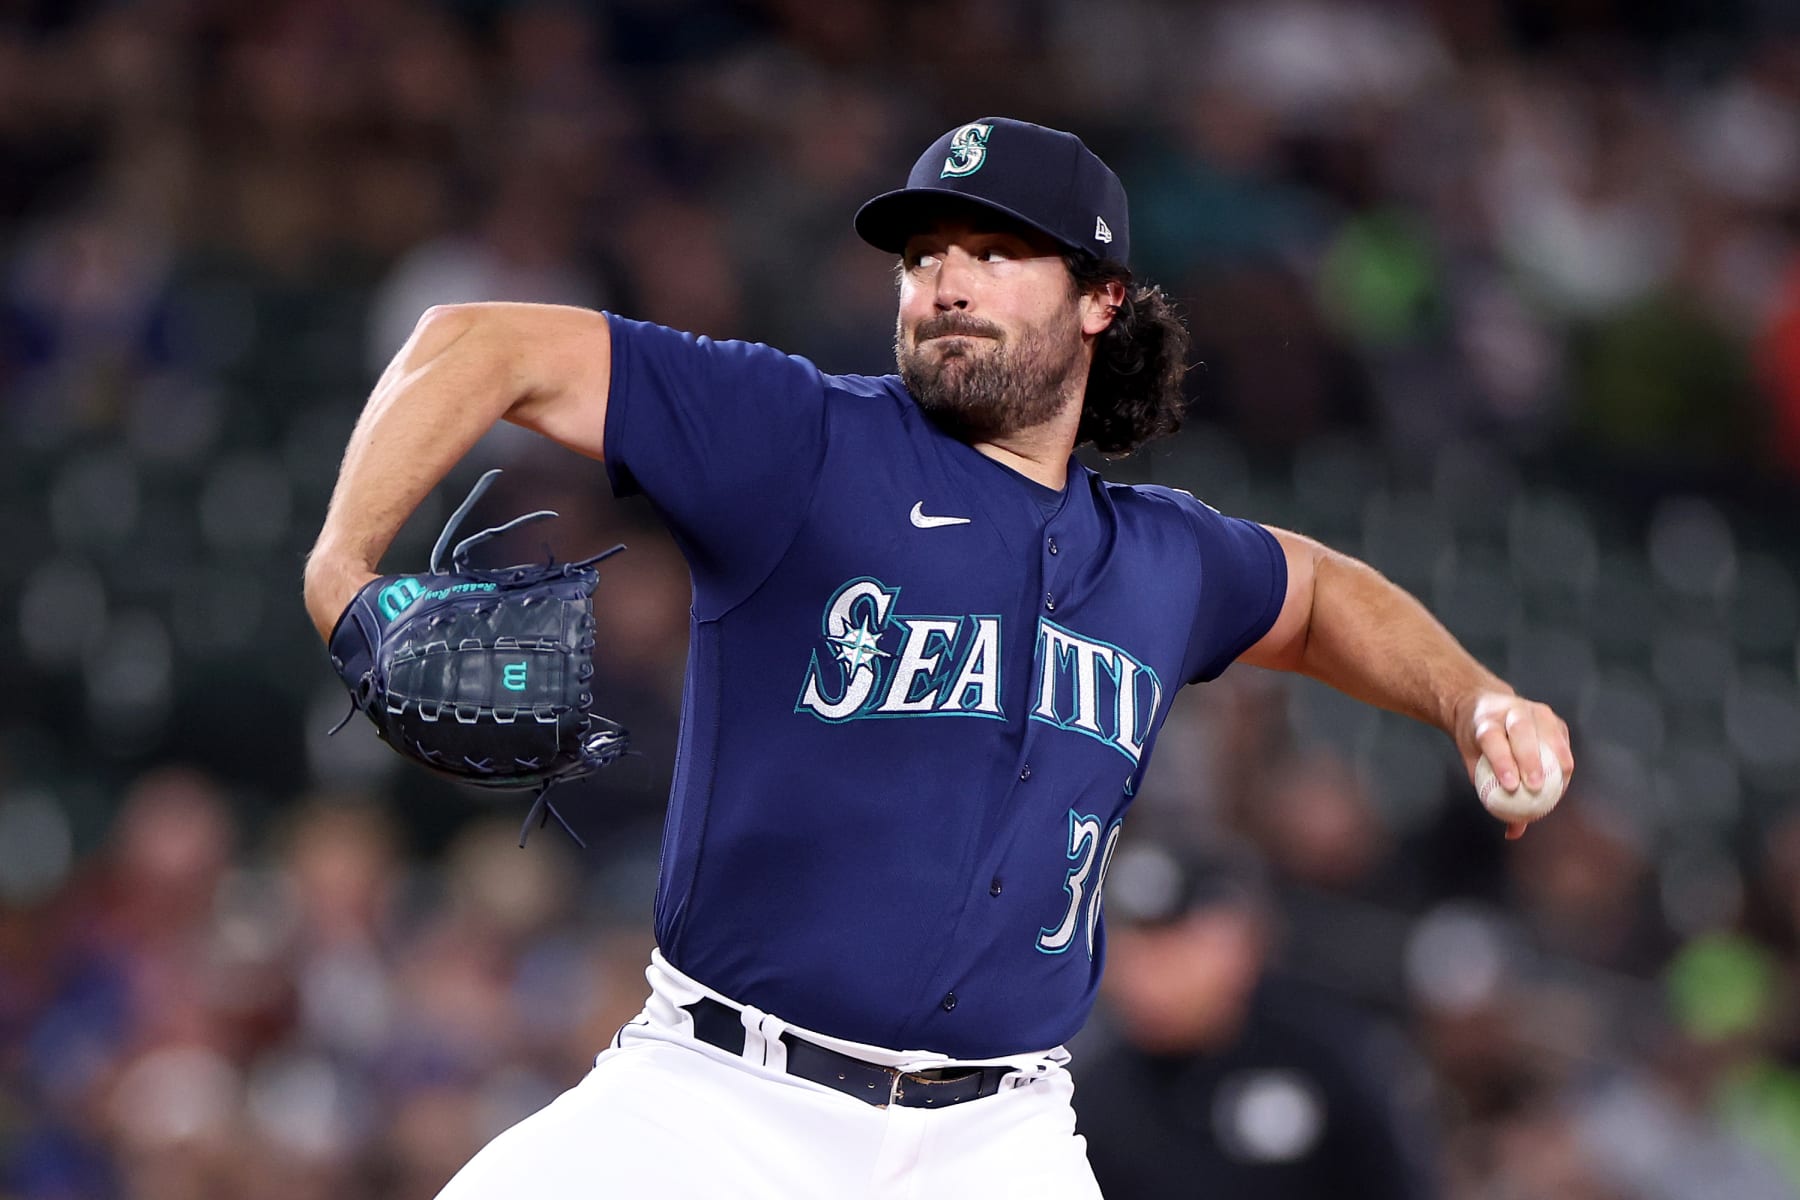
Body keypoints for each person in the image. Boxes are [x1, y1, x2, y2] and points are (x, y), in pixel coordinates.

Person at [302, 117, 1575, 1198]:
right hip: (716, 1106)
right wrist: (342, 574)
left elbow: (1319, 594)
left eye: (995, 252)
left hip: (998, 1143)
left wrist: (1474, 700)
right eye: (923, 257)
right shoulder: (803, 442)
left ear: (1101, 299)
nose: (946, 282)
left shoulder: (1164, 559)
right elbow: (479, 342)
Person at [1073, 839, 1440, 1199]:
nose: (1149, 976)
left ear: (1241, 939)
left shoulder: (1329, 1056)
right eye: (1135, 949)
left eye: (1174, 948)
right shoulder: (1088, 1097)